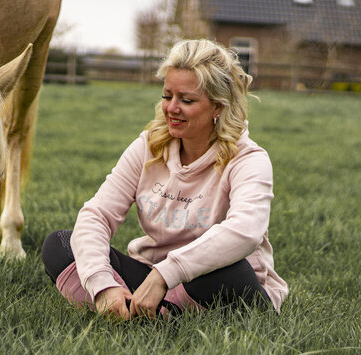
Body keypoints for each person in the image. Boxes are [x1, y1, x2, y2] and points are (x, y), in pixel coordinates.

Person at [41, 39, 288, 320]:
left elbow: (245, 232)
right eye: (167, 95)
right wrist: (103, 285)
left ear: (218, 106)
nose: (172, 108)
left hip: (214, 283)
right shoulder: (149, 146)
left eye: (187, 100)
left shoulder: (249, 159)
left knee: (223, 269)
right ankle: (126, 308)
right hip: (151, 277)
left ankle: (152, 315)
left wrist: (165, 275)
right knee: (60, 243)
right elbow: (97, 215)